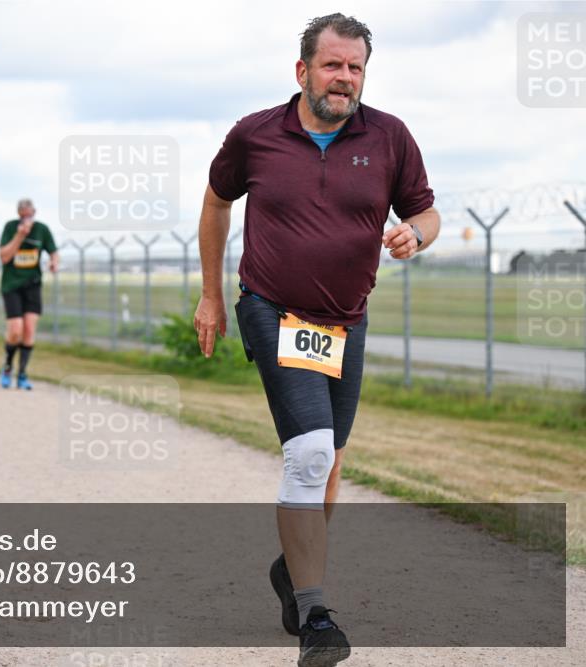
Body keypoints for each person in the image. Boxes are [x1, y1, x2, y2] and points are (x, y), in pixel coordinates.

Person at [193, 14, 440, 667]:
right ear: (302, 70)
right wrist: (213, 295)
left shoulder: (389, 136)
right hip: (272, 308)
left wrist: (416, 232)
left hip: (344, 321)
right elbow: (216, 203)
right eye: (333, 65)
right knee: (307, 452)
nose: (345, 78)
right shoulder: (256, 135)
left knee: (328, 462)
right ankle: (317, 617)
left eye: (355, 67)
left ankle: (290, 568)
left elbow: (426, 209)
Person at [0, 198, 58, 390]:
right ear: (18, 214)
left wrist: (53, 262)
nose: (26, 218)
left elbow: (53, 252)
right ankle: (7, 366)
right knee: (16, 330)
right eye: (23, 215)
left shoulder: (42, 229)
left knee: (29, 329)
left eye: (29, 215)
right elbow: (4, 256)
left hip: (32, 285)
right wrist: (19, 236)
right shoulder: (10, 228)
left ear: (34, 212)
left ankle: (22, 373)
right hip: (11, 285)